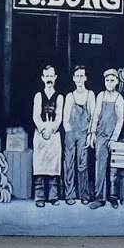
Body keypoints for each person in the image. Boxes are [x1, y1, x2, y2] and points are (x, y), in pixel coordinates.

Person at [88, 68, 124, 208]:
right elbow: (96, 115)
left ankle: (113, 197)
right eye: (107, 80)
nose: (109, 83)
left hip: (113, 137)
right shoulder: (101, 96)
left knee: (114, 168)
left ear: (116, 81)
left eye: (112, 80)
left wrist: (114, 138)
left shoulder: (119, 98)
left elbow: (119, 120)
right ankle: (100, 198)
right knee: (100, 166)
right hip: (100, 136)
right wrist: (92, 133)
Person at [62, 65, 96, 205]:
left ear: (86, 78)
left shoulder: (90, 95)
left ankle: (84, 194)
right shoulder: (70, 96)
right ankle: (69, 194)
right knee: (69, 163)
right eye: (77, 76)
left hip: (84, 133)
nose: (80, 79)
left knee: (82, 165)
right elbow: (65, 118)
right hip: (71, 132)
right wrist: (69, 133)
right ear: (73, 79)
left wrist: (90, 134)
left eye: (82, 75)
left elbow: (94, 116)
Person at [30, 64, 64, 207]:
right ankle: (40, 197)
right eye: (47, 76)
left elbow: (59, 117)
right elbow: (35, 116)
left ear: (55, 77)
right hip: (40, 134)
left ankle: (53, 197)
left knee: (53, 166)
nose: (49, 79)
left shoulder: (60, 97)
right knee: (40, 164)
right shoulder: (38, 95)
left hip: (54, 134)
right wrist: (43, 129)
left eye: (52, 76)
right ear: (43, 78)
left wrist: (52, 129)